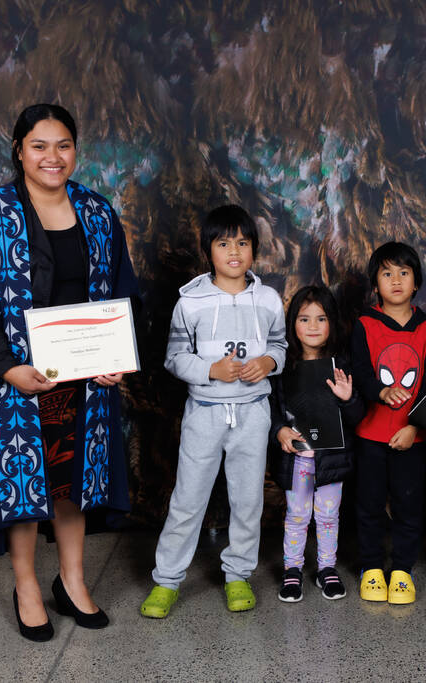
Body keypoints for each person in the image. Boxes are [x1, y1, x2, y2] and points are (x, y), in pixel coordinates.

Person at [0, 104, 141, 641]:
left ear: (76, 150)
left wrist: (115, 358)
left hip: (85, 380)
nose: (52, 156)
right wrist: (6, 368)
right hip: (16, 380)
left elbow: (119, 293)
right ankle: (26, 586)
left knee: (72, 484)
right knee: (23, 488)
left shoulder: (96, 211)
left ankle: (72, 580)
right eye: (39, 145)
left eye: (63, 144)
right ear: (18, 150)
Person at [140, 204, 287, 618]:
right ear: (210, 250)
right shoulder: (191, 301)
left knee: (247, 500)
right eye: (224, 243)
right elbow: (173, 357)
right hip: (204, 413)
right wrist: (210, 369)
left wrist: (269, 363)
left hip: (252, 414)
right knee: (188, 499)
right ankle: (167, 580)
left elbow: (280, 346)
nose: (234, 251)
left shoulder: (269, 299)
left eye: (243, 243)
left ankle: (238, 574)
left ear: (254, 250)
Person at [351, 241, 426, 605]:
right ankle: (372, 568)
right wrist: (379, 391)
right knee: (370, 504)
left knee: (408, 505)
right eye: (386, 273)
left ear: (416, 282)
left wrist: (416, 427)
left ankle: (402, 570)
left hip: (412, 436)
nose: (395, 281)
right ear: (376, 284)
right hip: (371, 435)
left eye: (403, 273)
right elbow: (359, 370)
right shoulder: (365, 324)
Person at [269, 285, 364, 603]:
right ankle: (292, 569)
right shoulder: (283, 368)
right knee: (297, 515)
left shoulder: (342, 366)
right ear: (292, 323)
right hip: (297, 459)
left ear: (332, 323)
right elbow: (271, 409)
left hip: (330, 461)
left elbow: (357, 416)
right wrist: (280, 430)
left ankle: (326, 569)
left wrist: (348, 399)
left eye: (321, 319)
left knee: (327, 515)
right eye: (304, 318)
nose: (312, 326)